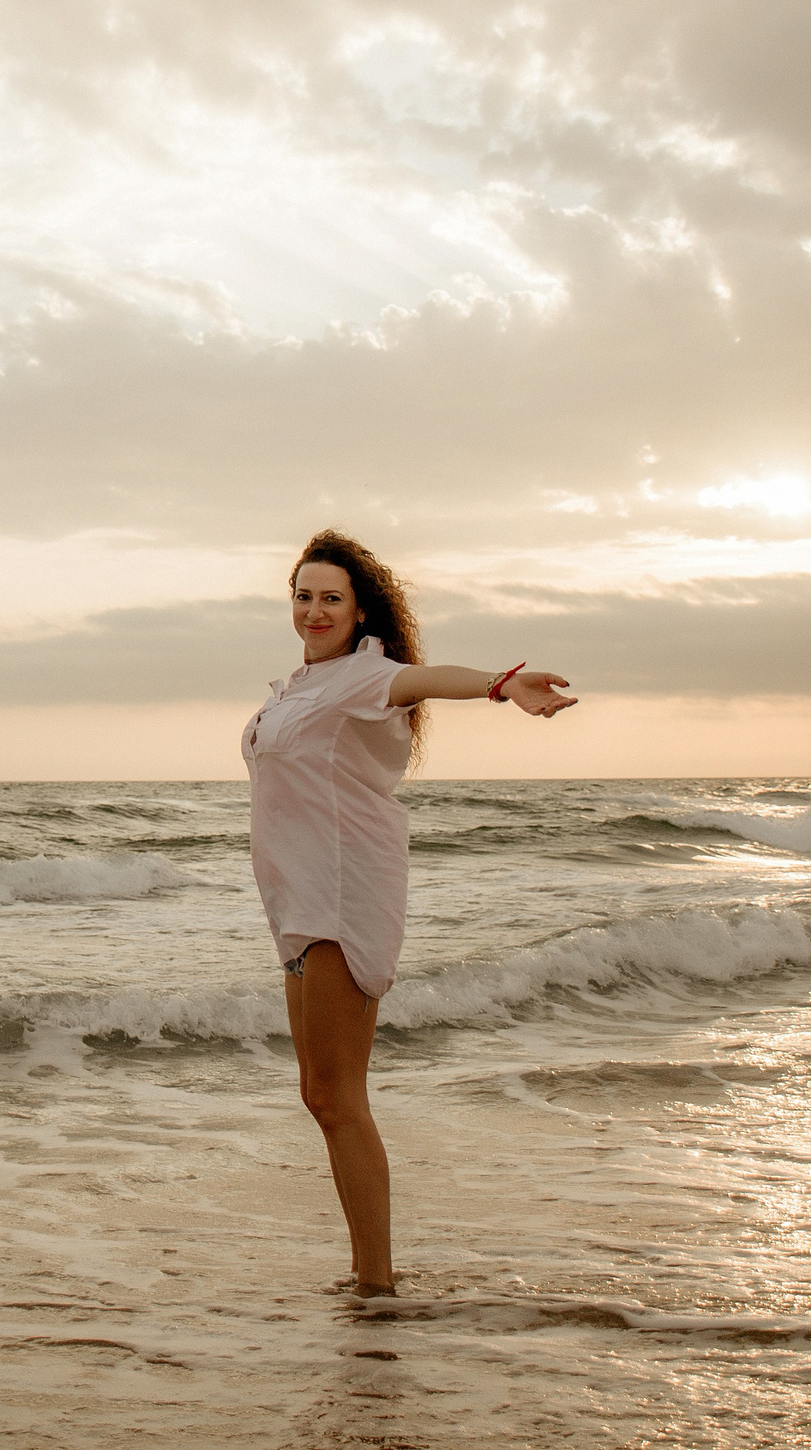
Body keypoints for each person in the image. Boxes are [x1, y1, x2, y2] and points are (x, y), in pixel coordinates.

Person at [241, 529, 575, 1298]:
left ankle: (377, 1283)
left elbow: (418, 682)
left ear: (359, 612)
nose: (315, 609)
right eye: (304, 595)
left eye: (332, 597)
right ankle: (368, 1272)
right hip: (296, 900)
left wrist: (499, 684)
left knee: (337, 1095)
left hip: (342, 895)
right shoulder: (294, 687)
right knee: (319, 1094)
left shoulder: (365, 675)